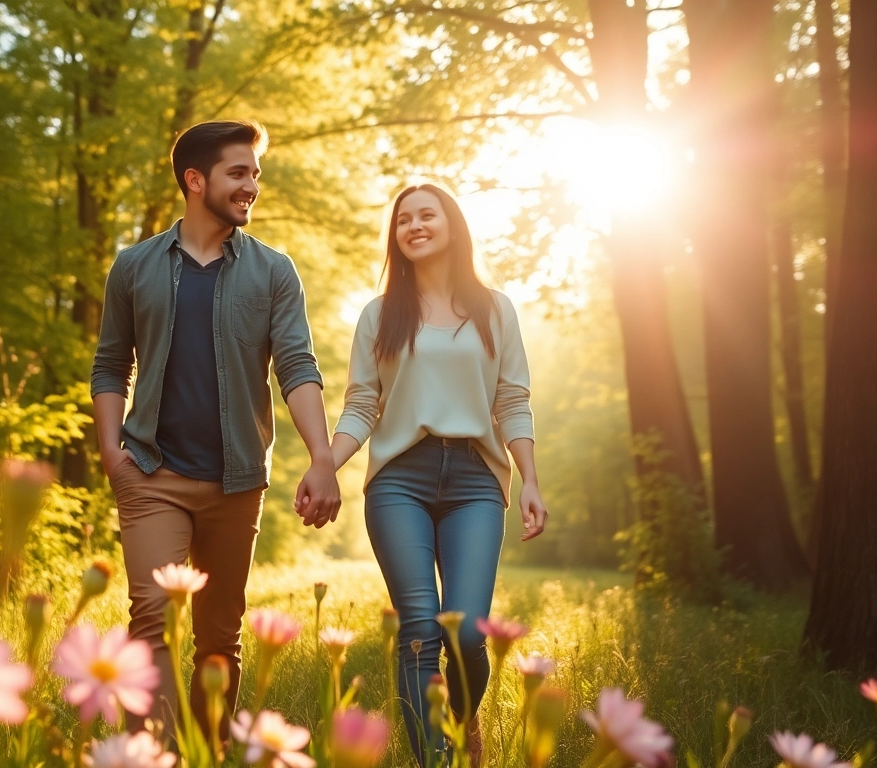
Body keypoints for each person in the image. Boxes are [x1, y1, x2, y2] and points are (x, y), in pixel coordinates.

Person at [90, 119, 341, 740]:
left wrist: (322, 457)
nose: (252, 184)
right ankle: (149, 754)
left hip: (236, 481)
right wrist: (110, 451)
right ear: (195, 180)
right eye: (239, 172)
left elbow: (297, 365)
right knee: (151, 617)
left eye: (255, 173)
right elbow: (109, 363)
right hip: (151, 474)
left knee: (219, 635)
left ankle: (208, 751)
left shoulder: (274, 271)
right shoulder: (134, 266)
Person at [328, 182, 548, 766]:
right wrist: (326, 462)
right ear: (395, 237)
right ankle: (437, 760)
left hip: (477, 480)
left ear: (453, 225)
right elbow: (361, 404)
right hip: (401, 477)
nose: (415, 225)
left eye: (427, 215)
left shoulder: (495, 308)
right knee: (421, 627)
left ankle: (460, 721)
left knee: (468, 633)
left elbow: (512, 400)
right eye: (404, 219)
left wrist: (528, 478)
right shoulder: (380, 315)